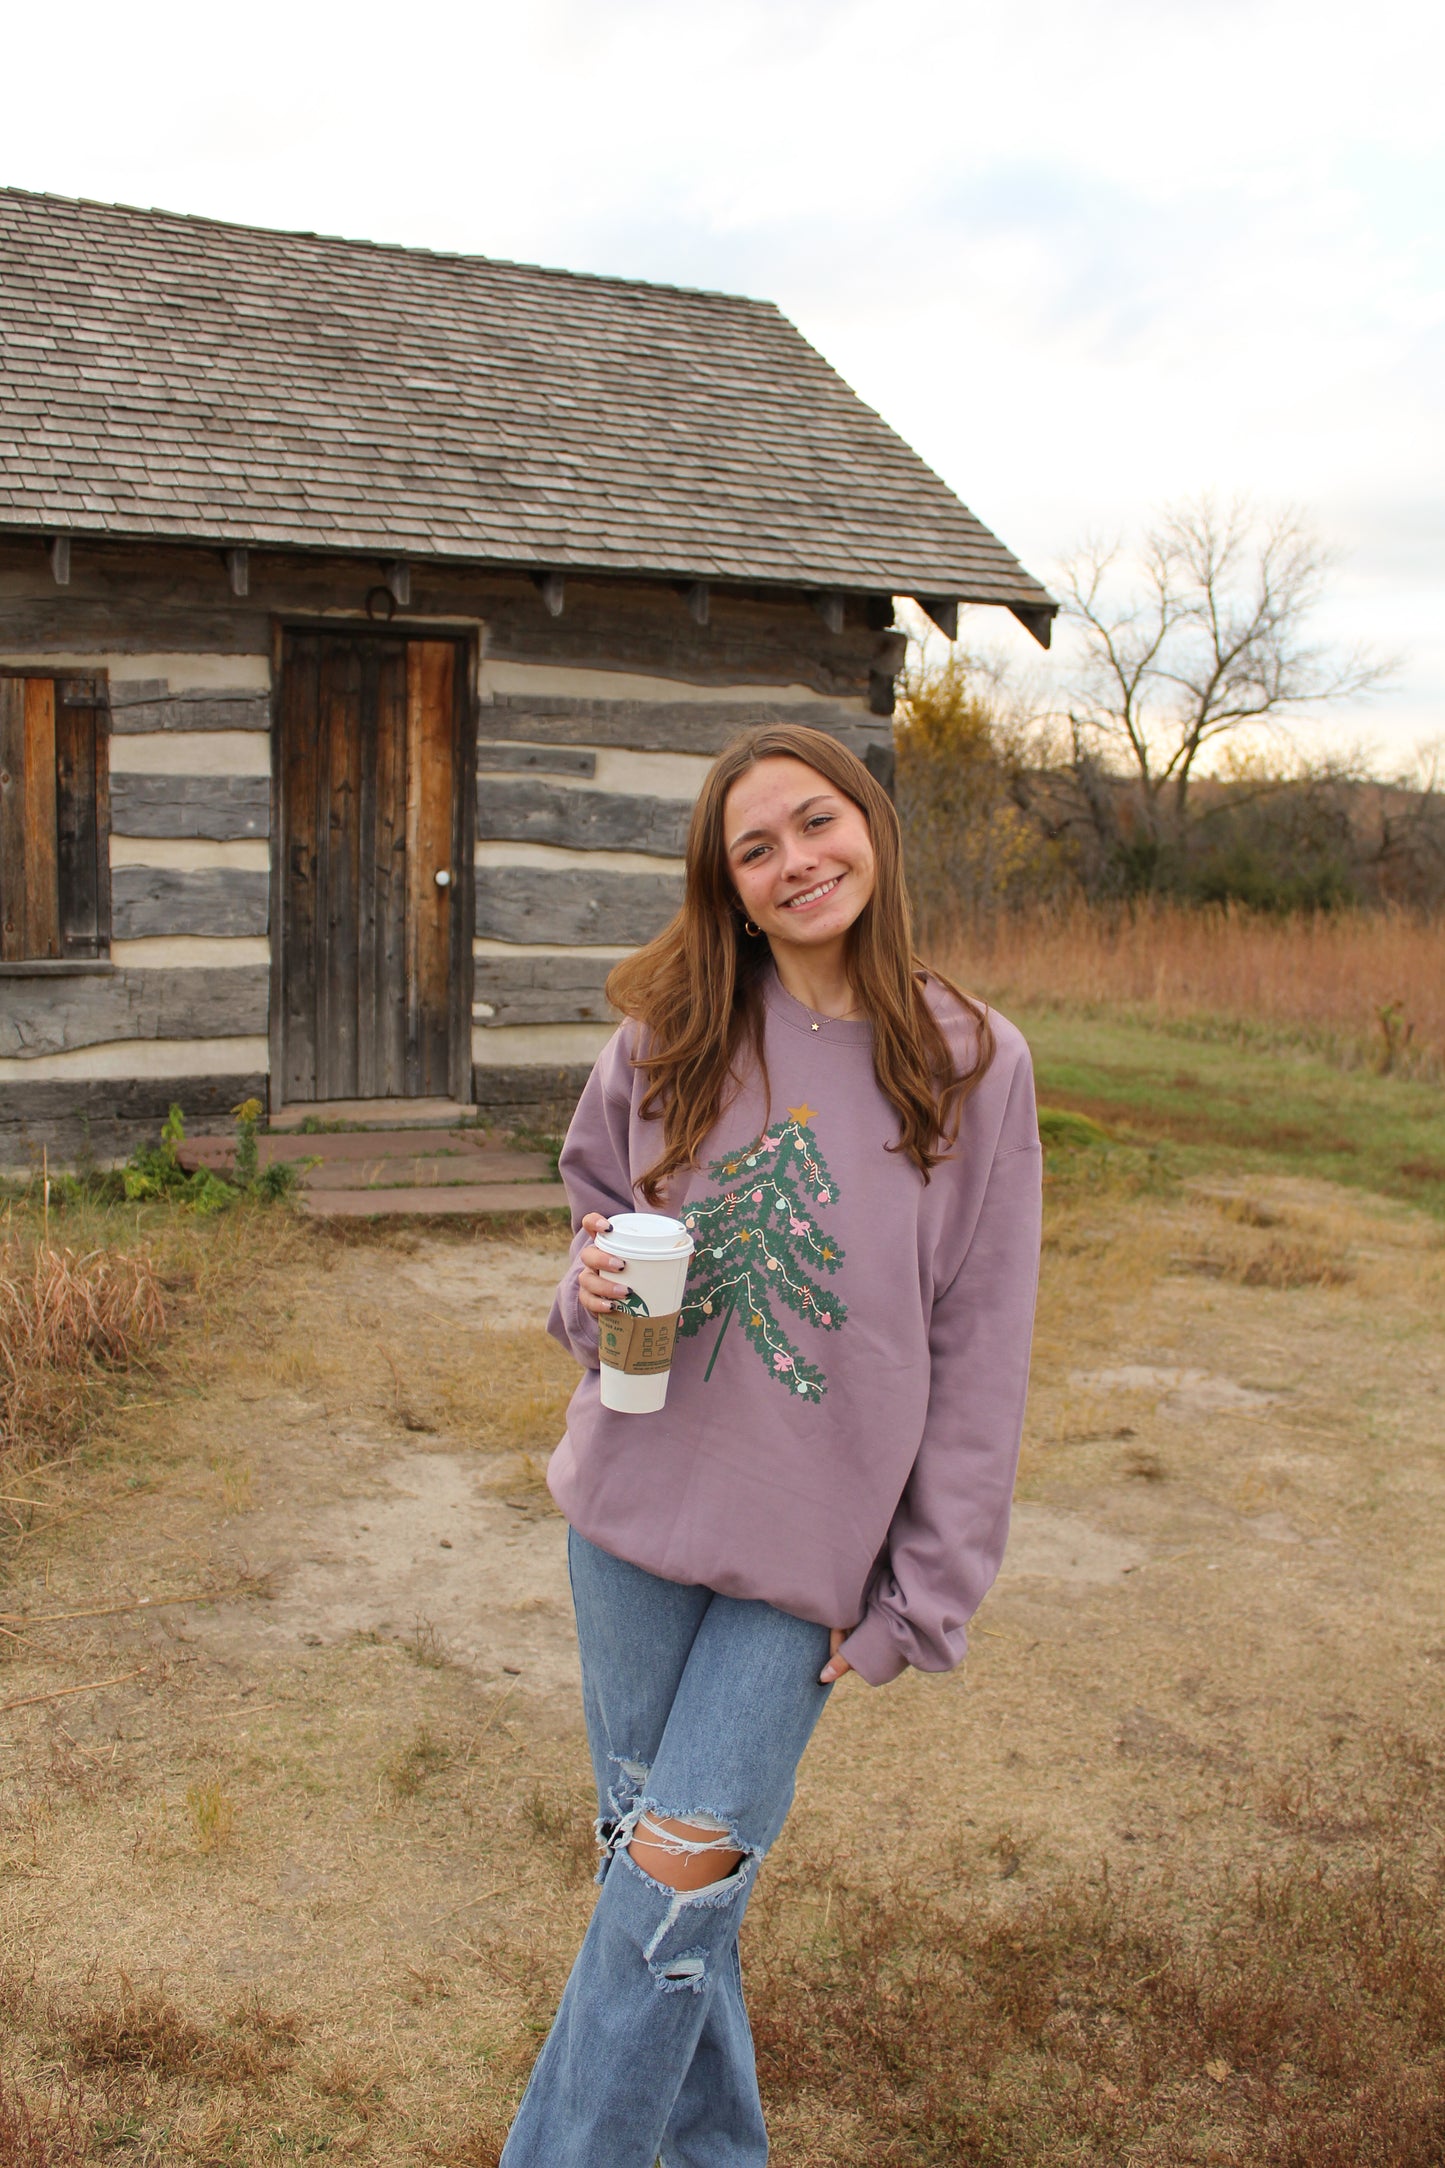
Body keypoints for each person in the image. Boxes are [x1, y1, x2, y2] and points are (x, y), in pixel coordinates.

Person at [498, 722, 1042, 2168]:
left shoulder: (973, 1063)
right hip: (628, 1517)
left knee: (674, 1884)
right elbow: (589, 1241)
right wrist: (586, 1286)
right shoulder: (664, 1042)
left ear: (872, 827)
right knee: (663, 1890)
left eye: (817, 822)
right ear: (727, 886)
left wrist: (921, 1600)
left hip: (805, 1562)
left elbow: (983, 1352)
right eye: (756, 847)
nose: (796, 859)